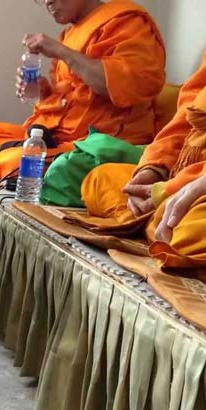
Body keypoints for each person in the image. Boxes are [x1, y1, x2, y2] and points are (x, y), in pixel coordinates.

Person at [0, 0, 165, 179]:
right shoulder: (70, 33)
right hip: (58, 134)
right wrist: (42, 90)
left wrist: (60, 51)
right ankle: (10, 149)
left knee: (19, 164)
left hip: (102, 141)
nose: (48, 2)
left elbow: (123, 84)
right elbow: (66, 97)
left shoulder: (127, 20)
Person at [70, 51, 206, 271]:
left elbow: (125, 87)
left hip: (199, 184)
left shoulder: (126, 23)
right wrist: (154, 169)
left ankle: (155, 221)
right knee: (98, 179)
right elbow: (185, 120)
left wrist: (170, 189)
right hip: (184, 174)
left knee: (191, 234)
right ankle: (156, 220)